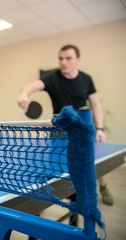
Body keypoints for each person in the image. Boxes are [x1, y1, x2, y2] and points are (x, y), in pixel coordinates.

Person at [16, 44, 114, 205]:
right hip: (59, 132)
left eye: (68, 58)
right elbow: (33, 85)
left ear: (77, 60)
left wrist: (100, 128)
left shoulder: (86, 79)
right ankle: (61, 195)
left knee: (92, 162)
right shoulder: (52, 78)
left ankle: (103, 186)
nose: (64, 62)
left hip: (82, 130)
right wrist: (24, 94)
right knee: (58, 165)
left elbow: (96, 104)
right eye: (61, 58)